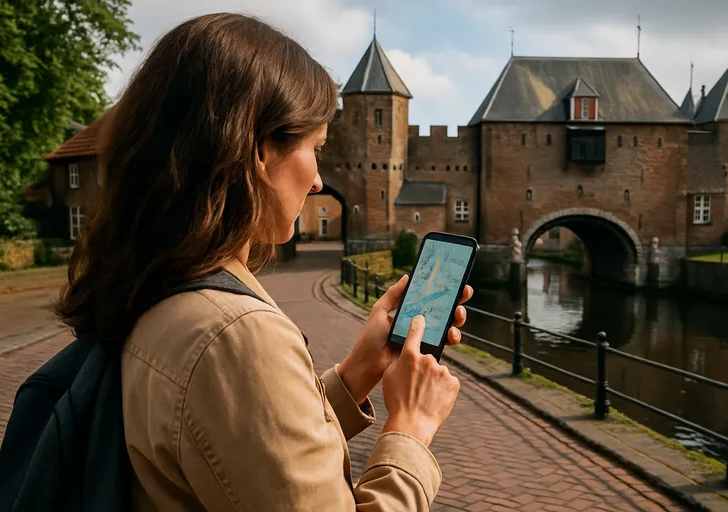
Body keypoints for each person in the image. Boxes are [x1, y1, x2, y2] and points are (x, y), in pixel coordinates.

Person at [54, 12, 473, 511]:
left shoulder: (157, 288)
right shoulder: (236, 334)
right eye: (315, 148)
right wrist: (411, 428)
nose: (318, 180)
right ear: (255, 149)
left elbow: (241, 449)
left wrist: (360, 370)